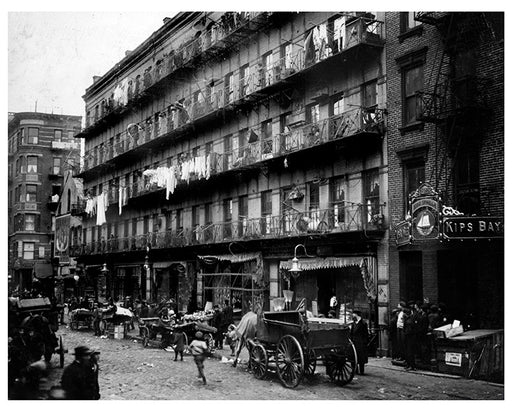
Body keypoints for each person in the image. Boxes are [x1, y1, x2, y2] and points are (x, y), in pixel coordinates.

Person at [350, 310, 369, 375]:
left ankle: (361, 371)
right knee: (353, 357)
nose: (352, 315)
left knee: (361, 357)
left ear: (356, 315)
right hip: (354, 342)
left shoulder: (363, 323)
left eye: (353, 314)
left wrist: (364, 342)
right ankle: (355, 370)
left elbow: (366, 334)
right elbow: (351, 333)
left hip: (361, 343)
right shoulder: (353, 323)